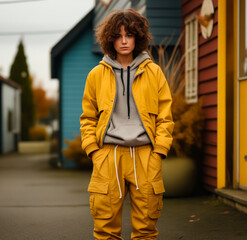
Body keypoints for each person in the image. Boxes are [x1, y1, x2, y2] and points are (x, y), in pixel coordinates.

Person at [80, 9, 174, 240]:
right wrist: (93, 150)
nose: (124, 41)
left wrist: (159, 151)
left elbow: (165, 116)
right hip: (108, 156)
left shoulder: (154, 72)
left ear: (137, 37)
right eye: (118, 35)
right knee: (105, 228)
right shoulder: (96, 75)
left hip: (145, 155)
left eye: (129, 35)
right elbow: (88, 117)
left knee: (146, 228)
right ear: (110, 38)